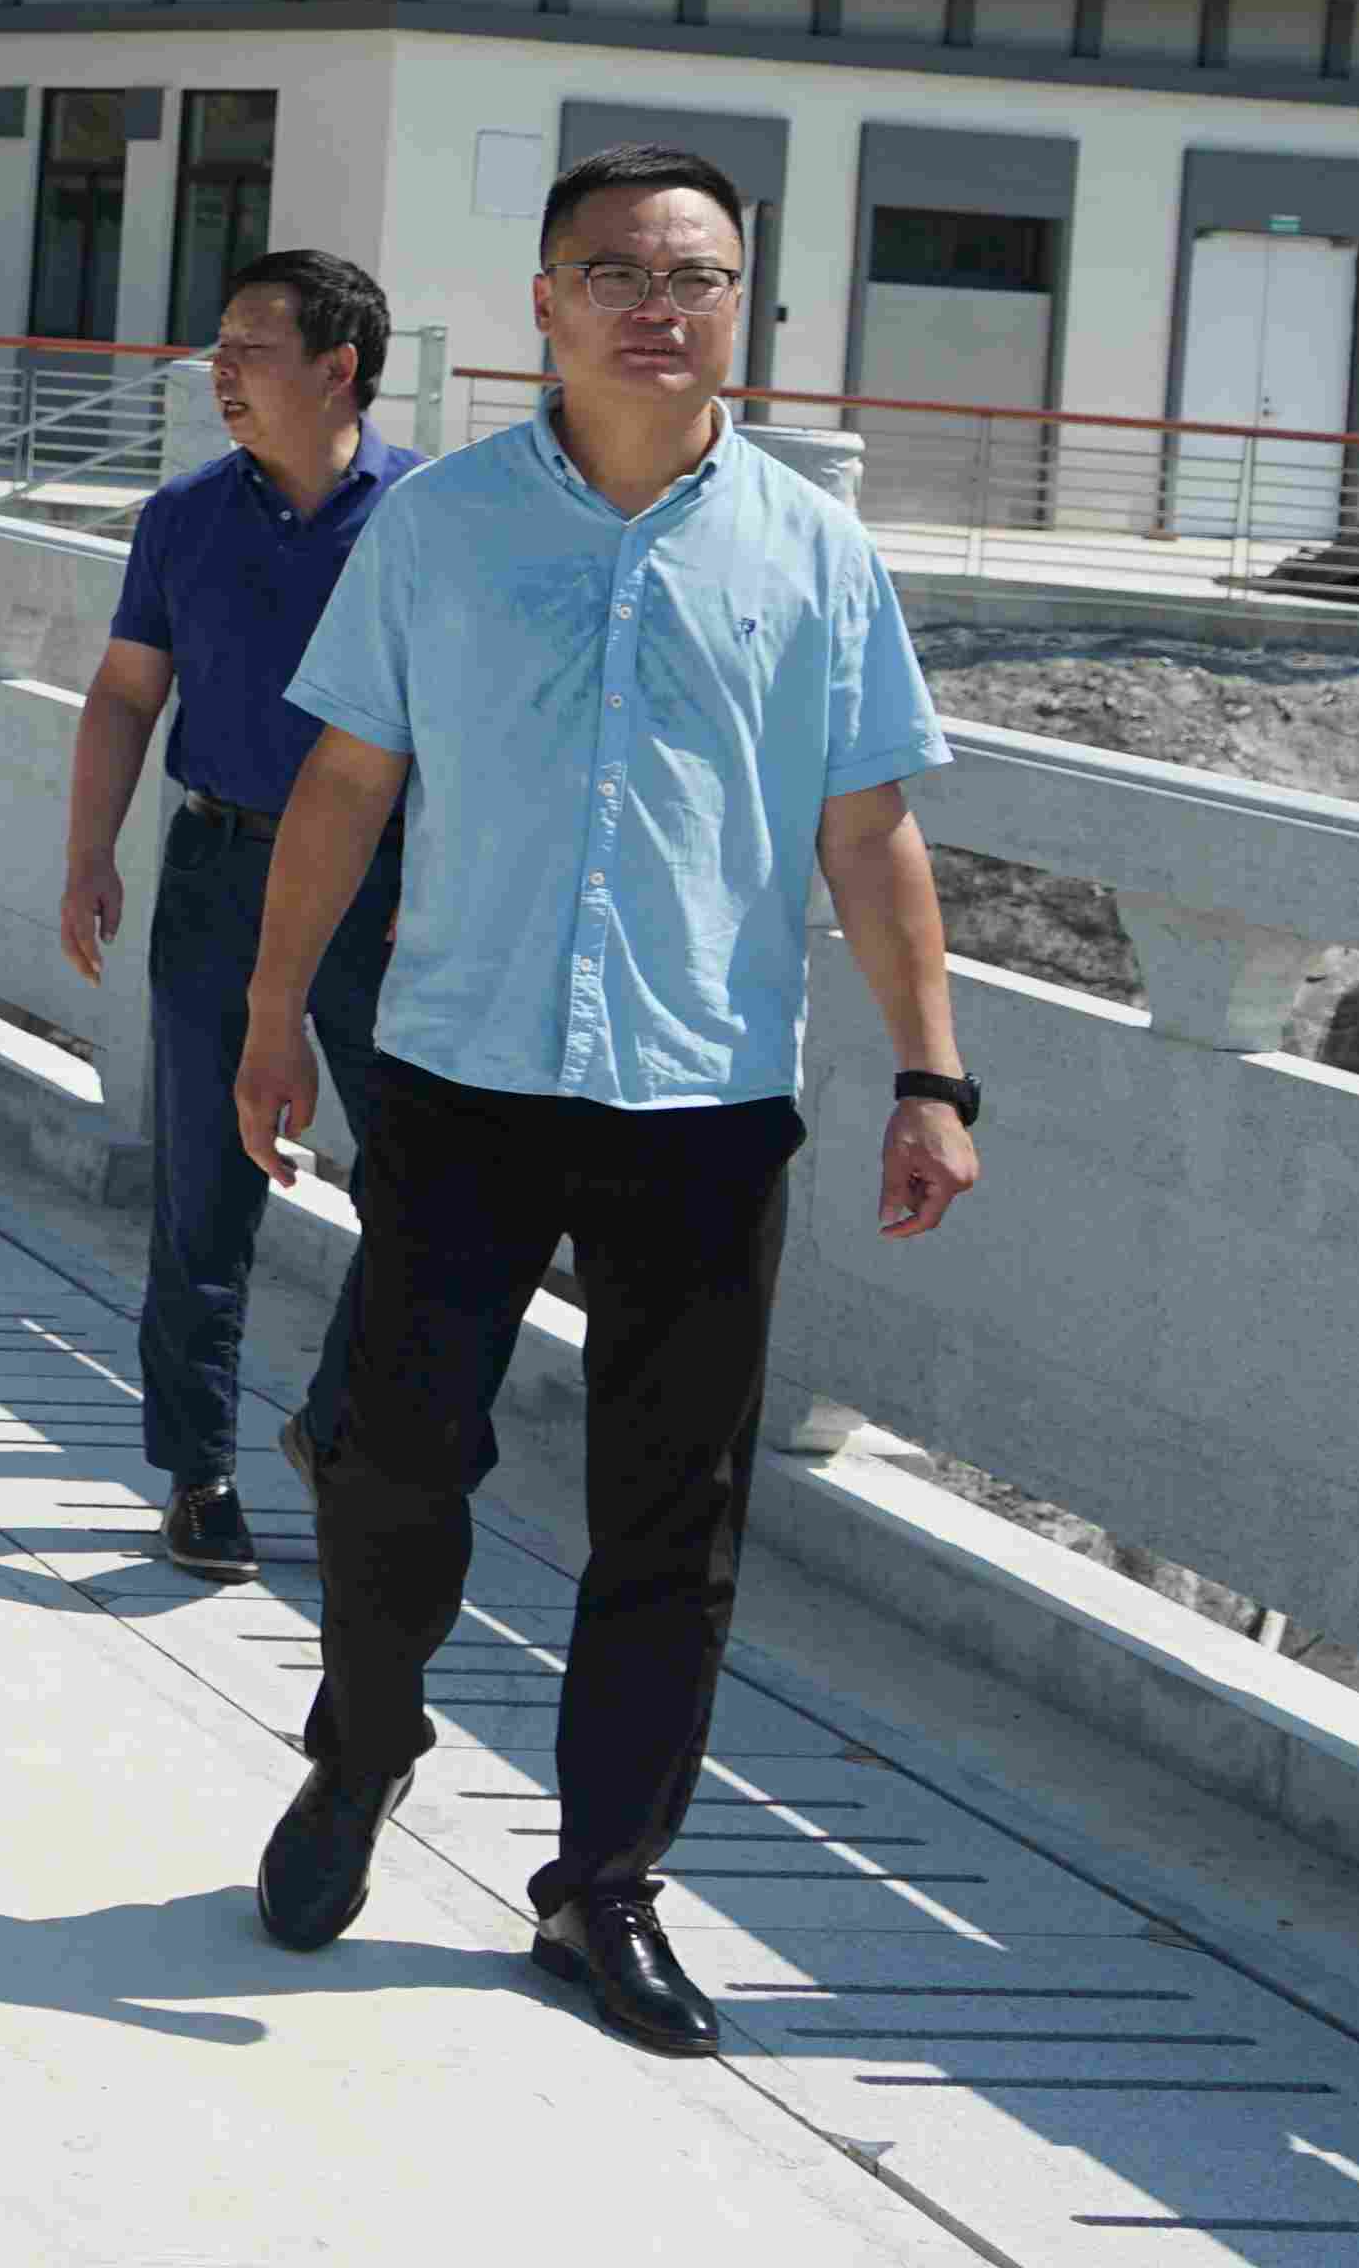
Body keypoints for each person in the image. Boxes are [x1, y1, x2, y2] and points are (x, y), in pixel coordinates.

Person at [241, 144, 983, 2061]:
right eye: (619, 273)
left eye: (697, 276)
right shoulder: (442, 527)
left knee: (675, 1516)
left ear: (745, 306)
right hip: (462, 1072)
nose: (660, 307)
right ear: (546, 304)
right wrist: (271, 1010)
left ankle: (603, 1882)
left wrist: (930, 1073)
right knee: (390, 1455)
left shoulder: (815, 551)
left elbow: (870, 830)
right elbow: (346, 783)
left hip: (705, 1096)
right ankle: (364, 1746)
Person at [57, 251, 433, 1582]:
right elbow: (125, 693)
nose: (219, 371)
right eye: (216, 346)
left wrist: (445, 881)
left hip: (388, 895)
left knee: (425, 1190)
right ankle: (198, 1472)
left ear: (340, 369)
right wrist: (90, 851)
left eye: (250, 349)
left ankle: (335, 1426)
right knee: (203, 1188)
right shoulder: (183, 517)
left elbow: (478, 727)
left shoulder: (431, 520)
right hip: (220, 867)